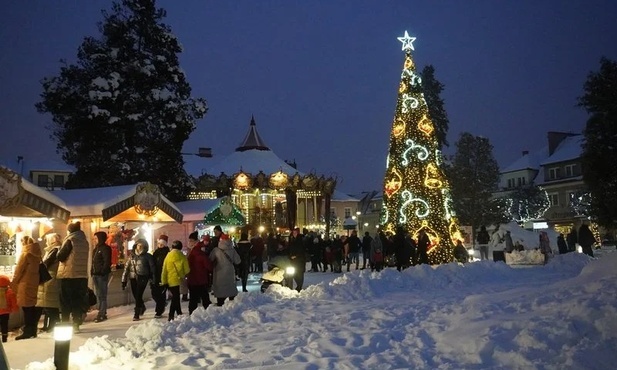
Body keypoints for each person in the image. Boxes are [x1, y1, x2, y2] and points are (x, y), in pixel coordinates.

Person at [56, 221, 89, 333]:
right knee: (77, 301)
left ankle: (65, 323)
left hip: (69, 275)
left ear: (70, 230)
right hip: (82, 275)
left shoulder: (70, 240)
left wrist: (58, 251)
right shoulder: (84, 241)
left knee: (65, 301)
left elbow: (61, 256)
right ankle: (76, 324)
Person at [12, 236, 42, 340]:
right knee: (31, 307)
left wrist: (13, 283)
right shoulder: (37, 254)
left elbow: (19, 270)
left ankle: (28, 331)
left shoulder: (25, 254)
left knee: (26, 308)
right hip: (33, 283)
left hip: (24, 283)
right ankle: (32, 330)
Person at [122, 239, 155, 321]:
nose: (139, 247)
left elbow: (152, 268)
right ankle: (141, 306)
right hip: (133, 277)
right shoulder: (132, 256)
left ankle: (136, 313)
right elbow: (126, 269)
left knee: (139, 294)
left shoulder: (148, 256)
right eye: (138, 245)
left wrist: (153, 279)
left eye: (141, 246)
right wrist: (124, 280)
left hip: (143, 277)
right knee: (135, 294)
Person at [35, 233, 62, 332]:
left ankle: (54, 324)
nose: (46, 241)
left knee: (49, 304)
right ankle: (50, 325)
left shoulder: (54, 250)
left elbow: (46, 263)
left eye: (47, 239)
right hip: (50, 277)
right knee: (49, 304)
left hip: (50, 278)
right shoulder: (54, 249)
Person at [161, 240, 190, 321]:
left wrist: (164, 281)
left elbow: (164, 270)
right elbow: (187, 270)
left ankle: (179, 312)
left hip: (169, 280)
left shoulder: (168, 256)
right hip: (177, 279)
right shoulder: (182, 256)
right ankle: (171, 315)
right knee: (175, 298)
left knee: (176, 297)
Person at [210, 234, 241, 306]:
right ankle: (231, 304)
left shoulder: (216, 250)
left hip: (219, 272)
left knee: (221, 289)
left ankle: (220, 303)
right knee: (230, 288)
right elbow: (238, 261)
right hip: (230, 272)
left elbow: (210, 259)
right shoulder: (232, 250)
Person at [187, 232, 213, 314]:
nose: (189, 242)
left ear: (195, 241)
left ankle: (193, 314)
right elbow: (209, 266)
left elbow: (208, 265)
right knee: (204, 297)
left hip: (195, 279)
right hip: (201, 279)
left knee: (194, 298)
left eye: (191, 240)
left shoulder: (195, 252)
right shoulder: (199, 251)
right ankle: (209, 313)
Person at [91, 231, 111, 323]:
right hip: (96, 274)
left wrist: (103, 271)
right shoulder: (96, 249)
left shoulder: (105, 248)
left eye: (96, 238)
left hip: (101, 275)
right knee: (99, 294)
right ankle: (102, 312)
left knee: (102, 295)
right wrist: (92, 271)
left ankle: (101, 314)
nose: (94, 240)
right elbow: (94, 262)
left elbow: (107, 261)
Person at [152, 234, 170, 318]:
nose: (160, 245)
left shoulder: (167, 252)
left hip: (163, 275)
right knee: (154, 293)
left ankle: (159, 311)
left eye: (162, 244)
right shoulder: (156, 252)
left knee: (160, 294)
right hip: (155, 275)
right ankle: (162, 305)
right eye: (159, 244)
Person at [0, 275, 18, 342]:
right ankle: (4, 338)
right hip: (5, 312)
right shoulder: (10, 292)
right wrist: (15, 309)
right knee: (4, 325)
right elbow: (14, 302)